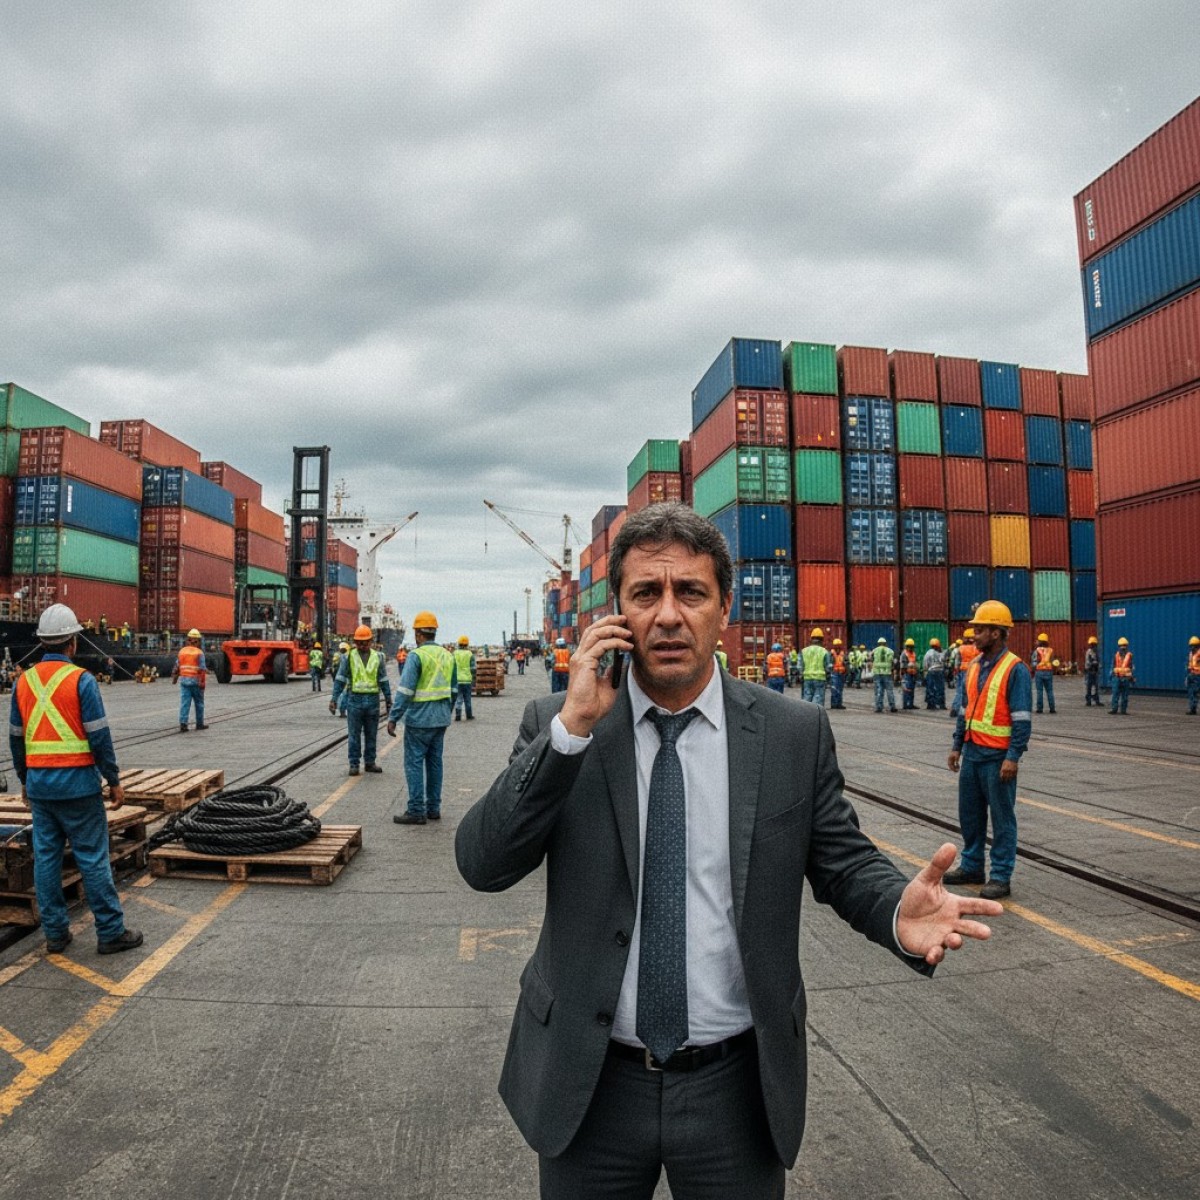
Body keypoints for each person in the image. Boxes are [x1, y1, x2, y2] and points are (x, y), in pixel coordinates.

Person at [455, 503, 1001, 1198]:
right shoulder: (561, 725)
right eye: (645, 594)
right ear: (616, 612)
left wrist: (898, 910)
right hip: (588, 1083)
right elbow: (484, 862)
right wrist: (571, 730)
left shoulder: (791, 733)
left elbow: (842, 862)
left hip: (735, 1093)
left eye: (691, 592)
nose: (668, 614)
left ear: (724, 608)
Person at [10, 604, 143, 956]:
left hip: (40, 788)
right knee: (92, 857)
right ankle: (111, 932)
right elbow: (99, 736)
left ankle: (55, 935)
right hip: (79, 787)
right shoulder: (81, 680)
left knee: (47, 859)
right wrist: (113, 779)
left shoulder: (22, 681)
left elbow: (15, 737)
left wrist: (25, 779)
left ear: (41, 642)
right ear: (72, 643)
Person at [945, 600, 1033, 900]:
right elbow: (965, 711)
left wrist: (1013, 756)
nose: (975, 635)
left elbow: (1022, 717)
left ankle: (1000, 876)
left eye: (980, 630)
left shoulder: (1015, 669)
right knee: (969, 815)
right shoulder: (972, 666)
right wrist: (957, 745)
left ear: (997, 633)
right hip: (972, 755)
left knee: (1002, 818)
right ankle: (972, 866)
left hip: (998, 758)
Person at [388, 611, 455, 824]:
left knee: (414, 763)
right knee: (435, 763)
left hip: (419, 720)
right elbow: (453, 689)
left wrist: (393, 717)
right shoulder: (447, 655)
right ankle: (433, 808)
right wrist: (446, 711)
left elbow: (405, 691)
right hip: (441, 719)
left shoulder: (416, 656)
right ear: (434, 632)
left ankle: (416, 810)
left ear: (418, 634)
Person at [330, 625, 392, 775]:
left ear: (371, 641)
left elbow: (383, 679)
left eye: (365, 642)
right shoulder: (348, 657)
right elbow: (340, 679)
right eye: (359, 642)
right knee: (354, 734)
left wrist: (388, 698)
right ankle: (354, 763)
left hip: (372, 701)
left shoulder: (378, 657)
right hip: (354, 700)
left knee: (371, 734)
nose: (362, 645)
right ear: (355, 642)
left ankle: (370, 762)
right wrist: (334, 699)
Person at [171, 628, 208, 732]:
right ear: (198, 641)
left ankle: (183, 724)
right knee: (199, 703)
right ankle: (199, 724)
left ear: (188, 640)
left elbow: (177, 667)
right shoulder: (199, 653)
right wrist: (202, 683)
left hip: (184, 682)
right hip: (196, 682)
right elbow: (202, 669)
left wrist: (174, 678)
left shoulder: (182, 652)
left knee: (184, 703)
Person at [949, 629, 978, 718]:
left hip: (961, 671)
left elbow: (957, 661)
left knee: (959, 691)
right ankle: (965, 710)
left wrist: (956, 670)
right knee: (969, 691)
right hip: (972, 672)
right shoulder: (976, 648)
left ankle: (955, 708)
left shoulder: (960, 648)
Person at [800, 628, 831, 707]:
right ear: (822, 640)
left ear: (811, 639)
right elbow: (827, 667)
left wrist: (801, 675)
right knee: (818, 698)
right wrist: (828, 677)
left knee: (807, 697)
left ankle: (806, 714)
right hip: (820, 678)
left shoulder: (804, 651)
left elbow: (801, 665)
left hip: (807, 678)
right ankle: (816, 715)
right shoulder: (824, 651)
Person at [1031, 632, 1056, 714]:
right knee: (1050, 691)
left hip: (1039, 672)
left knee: (1039, 691)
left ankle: (1039, 709)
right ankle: (1052, 708)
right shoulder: (1051, 650)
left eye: (1038, 640)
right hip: (1049, 672)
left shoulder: (1036, 651)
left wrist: (1033, 670)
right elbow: (1053, 661)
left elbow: (1034, 662)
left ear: (1040, 641)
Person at [453, 635, 476, 722]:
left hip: (457, 680)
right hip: (467, 680)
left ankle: (458, 715)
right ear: (467, 644)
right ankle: (469, 715)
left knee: (458, 698)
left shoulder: (455, 653)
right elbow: (473, 668)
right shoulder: (470, 654)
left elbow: (452, 666)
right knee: (467, 698)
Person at [1109, 637, 1134, 715]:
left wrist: (1131, 677)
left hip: (1126, 678)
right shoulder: (1116, 656)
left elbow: (1131, 667)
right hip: (1117, 677)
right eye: (1121, 645)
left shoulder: (1130, 655)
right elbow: (1112, 666)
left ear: (1127, 646)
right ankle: (1114, 709)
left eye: (1124, 645)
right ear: (1119, 646)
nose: (1123, 647)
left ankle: (1123, 710)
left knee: (1125, 695)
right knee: (1115, 694)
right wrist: (1111, 676)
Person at [872, 637, 897, 713]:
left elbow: (871, 659)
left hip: (877, 673)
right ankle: (892, 706)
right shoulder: (890, 651)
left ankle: (878, 707)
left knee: (878, 690)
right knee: (889, 690)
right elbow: (893, 662)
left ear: (878, 643)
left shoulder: (874, 651)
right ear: (885, 644)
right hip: (887, 673)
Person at [923, 638, 946, 710]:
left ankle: (931, 704)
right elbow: (944, 662)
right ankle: (941, 704)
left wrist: (925, 672)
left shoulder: (928, 653)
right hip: (940, 671)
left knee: (931, 688)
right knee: (940, 688)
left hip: (931, 671)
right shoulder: (941, 653)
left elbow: (925, 663)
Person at [898, 638, 919, 710]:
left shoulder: (913, 653)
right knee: (906, 689)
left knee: (912, 690)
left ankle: (911, 704)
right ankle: (905, 704)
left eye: (912, 646)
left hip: (913, 674)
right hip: (906, 674)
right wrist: (903, 675)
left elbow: (915, 663)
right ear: (906, 646)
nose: (911, 648)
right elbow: (903, 666)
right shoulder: (904, 654)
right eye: (909, 646)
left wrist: (916, 672)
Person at [828, 637, 847, 709]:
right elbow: (829, 664)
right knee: (834, 689)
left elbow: (846, 663)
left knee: (840, 689)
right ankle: (833, 704)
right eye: (837, 645)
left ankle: (839, 704)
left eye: (839, 645)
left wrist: (846, 671)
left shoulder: (843, 654)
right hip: (834, 673)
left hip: (841, 673)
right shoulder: (831, 654)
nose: (838, 647)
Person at [1084, 636, 1101, 707]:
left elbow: (1098, 661)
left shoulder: (1096, 652)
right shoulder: (1089, 652)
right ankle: (1088, 701)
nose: (1093, 645)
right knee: (1089, 686)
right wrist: (1095, 664)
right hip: (1089, 671)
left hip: (1095, 671)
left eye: (1093, 644)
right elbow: (1089, 662)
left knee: (1096, 687)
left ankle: (1096, 700)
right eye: (1092, 644)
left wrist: (1097, 666)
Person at [1187, 636, 1200, 715]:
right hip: (1192, 675)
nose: (1192, 647)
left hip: (1198, 676)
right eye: (1191, 645)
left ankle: (1193, 708)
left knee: (1194, 692)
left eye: (1194, 645)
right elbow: (1190, 665)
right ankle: (1193, 708)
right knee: (1192, 692)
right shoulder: (1191, 654)